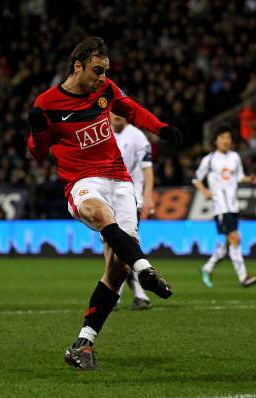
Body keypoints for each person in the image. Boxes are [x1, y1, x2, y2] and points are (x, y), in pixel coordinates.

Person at [26, 36, 184, 370]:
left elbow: (132, 110)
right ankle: (147, 270)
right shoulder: (48, 102)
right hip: (83, 181)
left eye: (106, 71)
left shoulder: (105, 89)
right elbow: (39, 152)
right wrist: (38, 131)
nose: (102, 77)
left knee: (116, 268)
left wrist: (162, 129)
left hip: (120, 180)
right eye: (97, 70)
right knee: (98, 214)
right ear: (77, 66)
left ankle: (83, 343)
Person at [193, 126, 256, 288]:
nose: (226, 140)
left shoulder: (235, 157)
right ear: (215, 140)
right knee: (235, 238)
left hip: (233, 205)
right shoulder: (209, 159)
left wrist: (249, 179)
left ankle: (207, 267)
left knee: (230, 242)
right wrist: (205, 191)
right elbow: (196, 178)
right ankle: (243, 277)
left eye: (228, 137)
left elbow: (238, 177)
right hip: (221, 207)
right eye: (222, 137)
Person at [110, 113, 154, 310]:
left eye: (120, 112)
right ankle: (138, 294)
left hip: (130, 199)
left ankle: (117, 296)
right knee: (115, 248)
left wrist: (148, 196)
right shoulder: (105, 133)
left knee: (123, 247)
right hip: (108, 199)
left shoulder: (138, 137)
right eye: (113, 111)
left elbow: (147, 170)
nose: (116, 116)